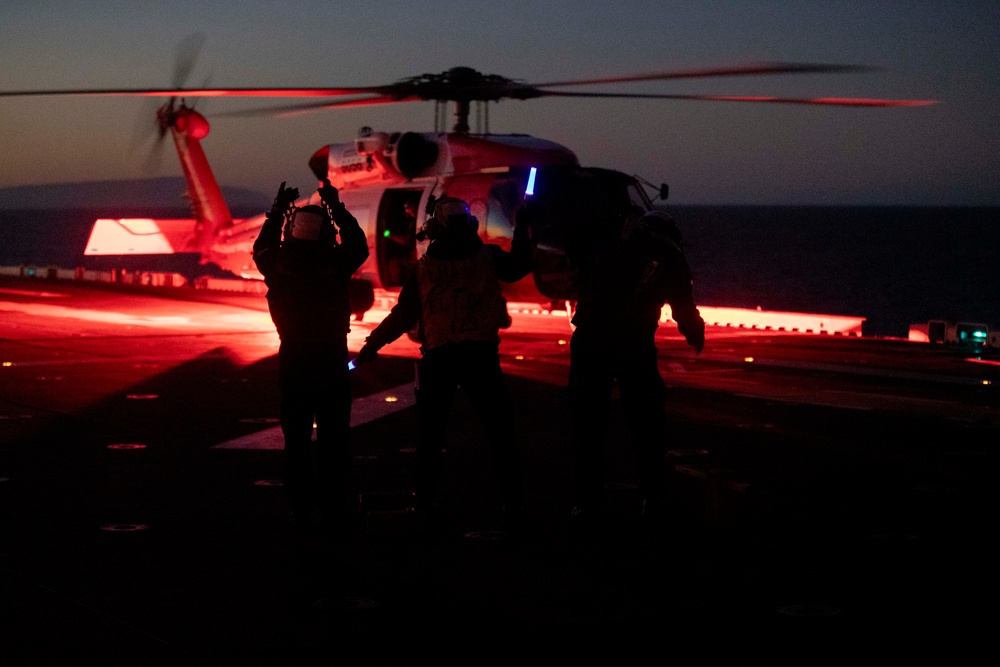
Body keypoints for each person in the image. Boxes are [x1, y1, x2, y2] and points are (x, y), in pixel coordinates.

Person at [356, 196, 531, 531]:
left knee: (431, 436)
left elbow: (403, 314)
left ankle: (425, 503)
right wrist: (523, 225)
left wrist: (372, 344)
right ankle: (512, 504)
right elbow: (520, 264)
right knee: (501, 434)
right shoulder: (488, 258)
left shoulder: (424, 269)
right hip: (481, 357)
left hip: (439, 357)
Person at [566, 208, 705, 528]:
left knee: (588, 426)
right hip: (634, 346)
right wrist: (694, 332)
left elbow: (575, 260)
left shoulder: (609, 246)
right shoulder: (670, 256)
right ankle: (653, 499)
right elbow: (683, 305)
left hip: (591, 341)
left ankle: (586, 504)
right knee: (647, 426)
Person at [252, 179, 370, 529]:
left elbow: (261, 247)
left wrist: (276, 212)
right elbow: (358, 244)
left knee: (297, 440)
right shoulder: (336, 265)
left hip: (293, 361)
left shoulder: (278, 266)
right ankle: (333, 507)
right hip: (331, 361)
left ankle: (300, 509)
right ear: (324, 235)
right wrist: (335, 205)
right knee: (335, 438)